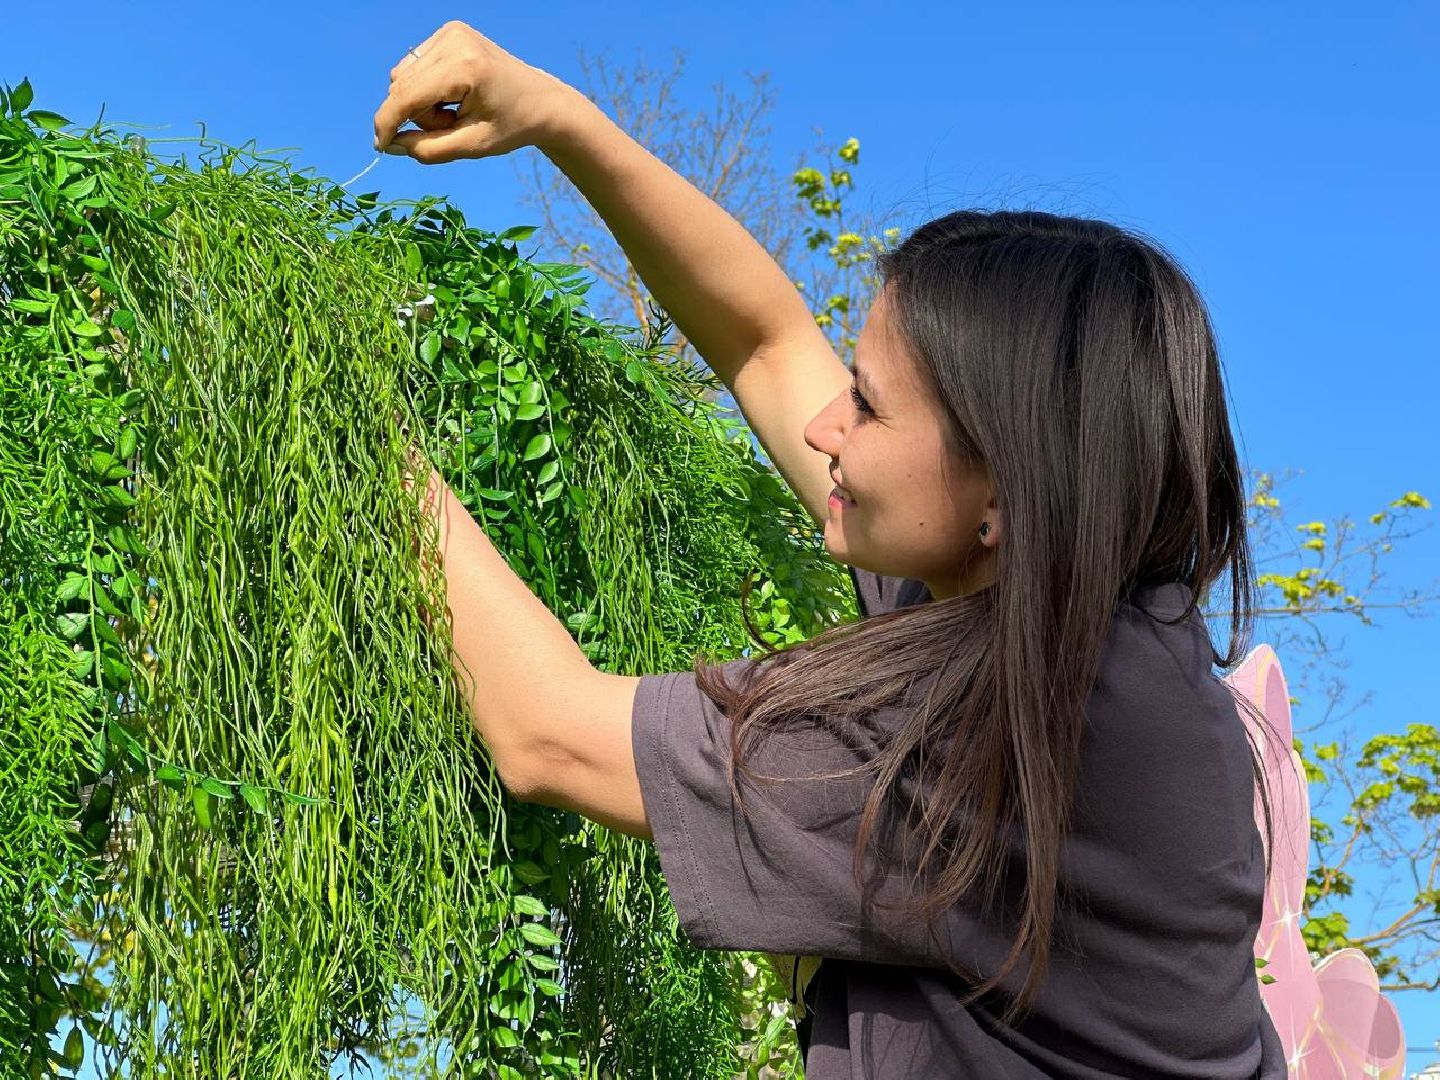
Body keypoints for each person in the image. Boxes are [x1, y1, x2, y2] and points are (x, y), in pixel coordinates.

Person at [374, 21, 1286, 1078]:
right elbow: (764, 344)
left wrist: (340, 415)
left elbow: (549, 736)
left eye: (869, 404)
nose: (825, 428)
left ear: (1002, 487)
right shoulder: (1067, 605)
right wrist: (555, 118)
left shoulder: (1023, 724)